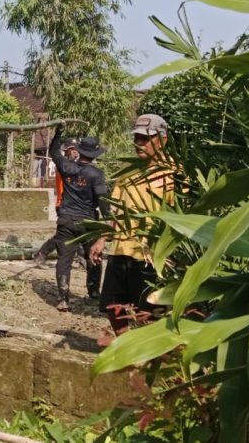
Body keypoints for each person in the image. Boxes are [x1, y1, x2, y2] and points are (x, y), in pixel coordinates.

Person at [90, 113, 174, 336]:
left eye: (145, 139)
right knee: (113, 305)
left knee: (149, 310)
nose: (139, 144)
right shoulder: (127, 170)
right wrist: (101, 239)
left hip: (150, 253)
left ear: (162, 140)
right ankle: (125, 345)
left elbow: (180, 217)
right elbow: (116, 208)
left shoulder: (173, 175)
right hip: (121, 248)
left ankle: (149, 355)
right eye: (137, 138)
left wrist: (169, 252)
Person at [48, 129, 110, 312]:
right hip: (88, 222)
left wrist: (58, 135)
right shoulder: (96, 175)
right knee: (93, 256)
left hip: (66, 219)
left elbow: (53, 153)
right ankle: (94, 294)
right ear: (94, 154)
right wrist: (108, 221)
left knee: (64, 259)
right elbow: (103, 201)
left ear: (80, 151)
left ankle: (63, 298)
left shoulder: (67, 168)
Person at [34, 137, 79, 268]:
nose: (76, 153)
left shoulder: (74, 166)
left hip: (73, 205)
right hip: (62, 205)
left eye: (77, 150)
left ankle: (81, 258)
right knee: (63, 236)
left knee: (77, 233)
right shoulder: (62, 165)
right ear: (67, 151)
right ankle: (41, 254)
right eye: (73, 150)